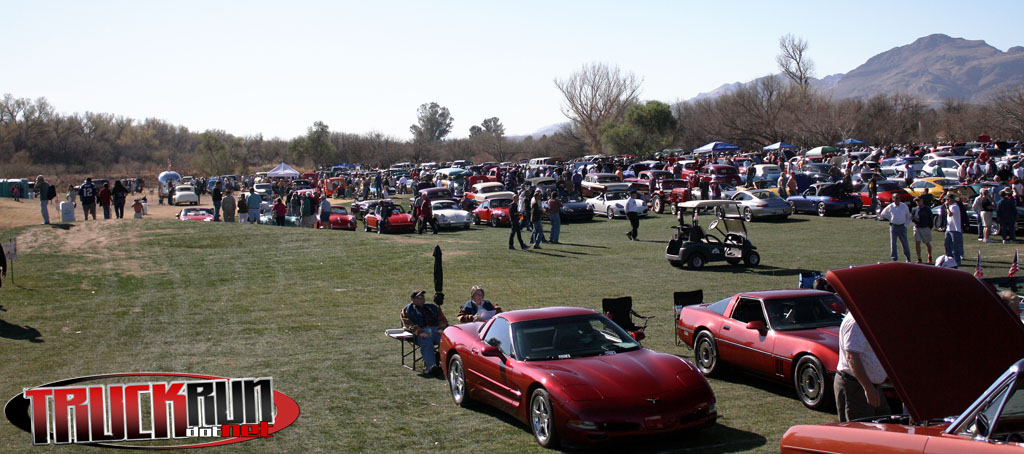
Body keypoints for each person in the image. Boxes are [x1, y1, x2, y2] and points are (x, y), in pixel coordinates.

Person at [835, 311, 890, 422]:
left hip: (871, 386)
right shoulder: (856, 323)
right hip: (856, 386)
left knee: (884, 424)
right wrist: (868, 388)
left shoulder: (867, 318)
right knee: (860, 428)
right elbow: (852, 357)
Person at [400, 290, 449, 375]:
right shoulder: (408, 309)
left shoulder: (432, 307)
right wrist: (419, 331)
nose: (422, 299)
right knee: (427, 342)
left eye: (423, 297)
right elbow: (407, 323)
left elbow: (442, 319)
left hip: (436, 330)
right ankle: (432, 367)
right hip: (422, 332)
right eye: (419, 297)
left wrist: (441, 327)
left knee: (447, 341)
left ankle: (447, 365)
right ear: (413, 299)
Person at [879, 196, 912, 262]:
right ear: (893, 199)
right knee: (893, 243)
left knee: (905, 243)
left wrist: (906, 225)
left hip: (902, 226)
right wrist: (890, 219)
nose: (897, 199)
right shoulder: (890, 206)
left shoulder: (904, 206)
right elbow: (883, 214)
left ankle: (908, 257)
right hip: (894, 227)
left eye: (898, 198)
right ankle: (894, 258)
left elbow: (908, 216)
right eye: (896, 198)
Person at [911, 197, 933, 263]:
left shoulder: (926, 209)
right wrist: (914, 219)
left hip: (925, 227)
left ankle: (929, 256)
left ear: (922, 200)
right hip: (917, 228)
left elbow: (930, 218)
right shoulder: (914, 209)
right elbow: (911, 217)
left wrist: (929, 227)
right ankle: (919, 258)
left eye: (919, 201)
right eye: (916, 201)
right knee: (917, 243)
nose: (917, 202)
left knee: (927, 243)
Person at [944, 195, 964, 266]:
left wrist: (947, 207)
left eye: (947, 200)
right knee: (947, 244)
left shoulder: (955, 206)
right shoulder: (951, 206)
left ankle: (957, 260)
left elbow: (950, 214)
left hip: (955, 229)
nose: (946, 201)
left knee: (955, 246)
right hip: (949, 228)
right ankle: (949, 259)